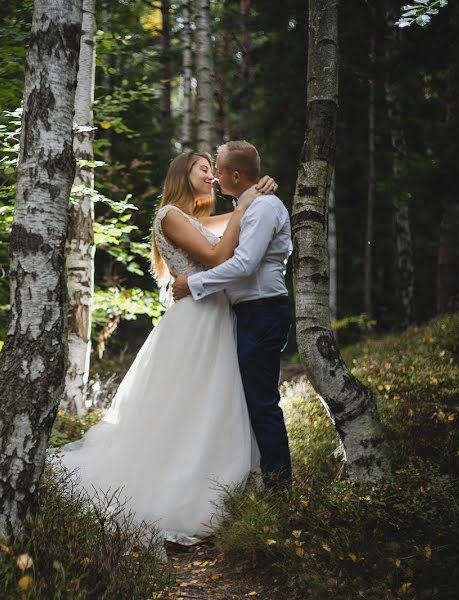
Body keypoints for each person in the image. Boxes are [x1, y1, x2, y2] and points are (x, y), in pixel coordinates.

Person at [54, 149, 278, 546]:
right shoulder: (171, 217)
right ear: (182, 173)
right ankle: (180, 486)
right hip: (195, 320)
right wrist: (244, 210)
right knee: (187, 406)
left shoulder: (196, 220)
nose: (211, 176)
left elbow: (238, 218)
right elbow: (215, 253)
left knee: (214, 405)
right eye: (203, 169)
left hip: (217, 317)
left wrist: (256, 193)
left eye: (215, 170)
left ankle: (223, 482)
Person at [172, 140, 294, 491]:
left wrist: (193, 284)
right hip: (250, 313)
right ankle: (253, 481)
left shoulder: (264, 207)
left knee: (262, 404)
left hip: (263, 311)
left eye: (220, 170)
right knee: (248, 402)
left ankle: (279, 491)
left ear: (236, 175)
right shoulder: (249, 206)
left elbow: (243, 265)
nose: (215, 176)